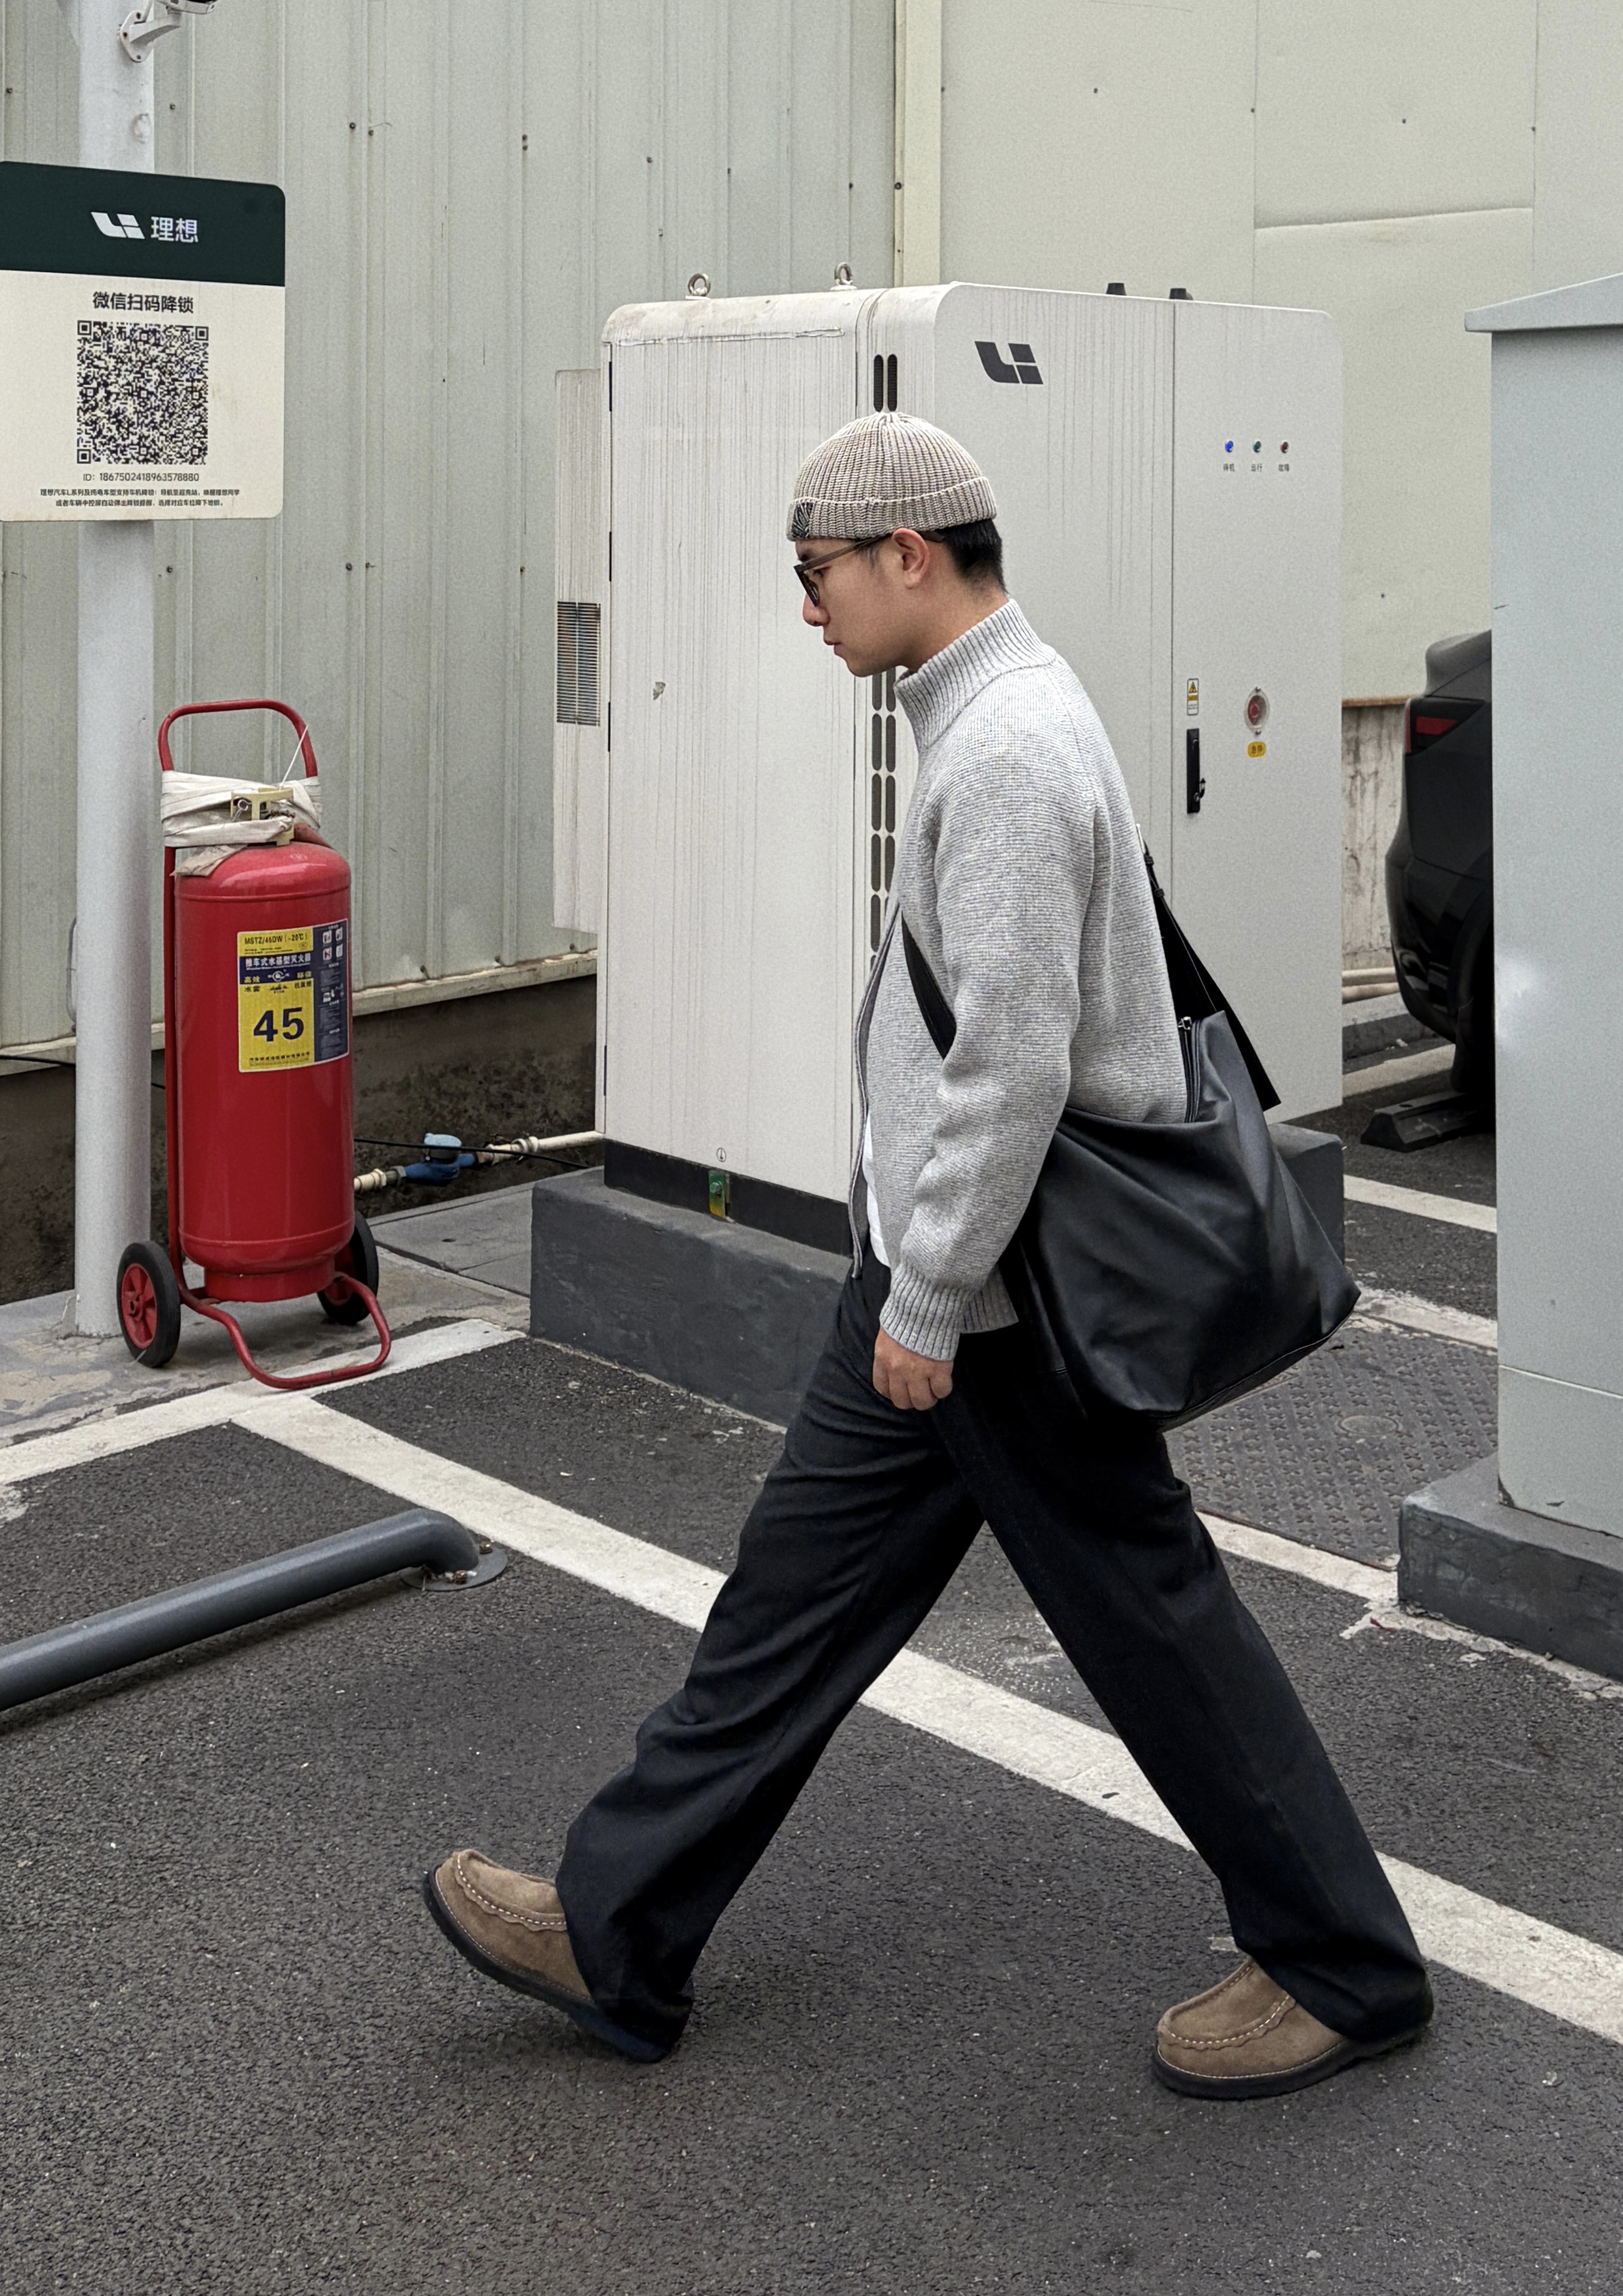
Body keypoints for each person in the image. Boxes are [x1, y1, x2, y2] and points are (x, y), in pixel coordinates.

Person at [424, 412, 1433, 2099]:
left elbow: (1015, 1063)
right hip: (952, 1283)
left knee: (1157, 1631)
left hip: (1001, 1305)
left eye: (816, 571)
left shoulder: (1009, 753)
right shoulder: (982, 715)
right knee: (788, 1609)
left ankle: (1346, 1968)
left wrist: (932, 1293)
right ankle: (620, 1933)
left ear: (909, 555)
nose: (807, 604)